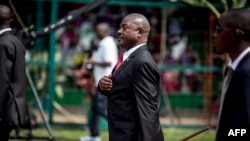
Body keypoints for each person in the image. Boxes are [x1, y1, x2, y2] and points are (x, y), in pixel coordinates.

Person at [98, 13, 164, 141]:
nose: (118, 31)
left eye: (125, 28)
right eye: (119, 27)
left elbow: (147, 111)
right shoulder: (128, 58)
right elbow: (122, 89)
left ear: (139, 32)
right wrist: (103, 85)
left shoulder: (142, 62)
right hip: (120, 132)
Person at [213, 8, 250, 141]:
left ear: (236, 34)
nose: (214, 35)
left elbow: (245, 131)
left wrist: (226, 133)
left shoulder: (247, 73)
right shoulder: (236, 68)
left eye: (219, 30)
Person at [80, 22, 118, 141]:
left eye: (98, 30)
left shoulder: (108, 44)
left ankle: (121, 128)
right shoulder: (101, 44)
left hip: (106, 82)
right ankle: (94, 136)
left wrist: (92, 62)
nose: (96, 33)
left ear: (105, 31)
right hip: (100, 82)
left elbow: (109, 62)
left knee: (101, 108)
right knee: (95, 110)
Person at [0, 5, 27, 141]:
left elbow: (2, 81)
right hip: (14, 105)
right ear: (10, 20)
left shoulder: (2, 43)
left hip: (4, 108)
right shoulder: (16, 41)